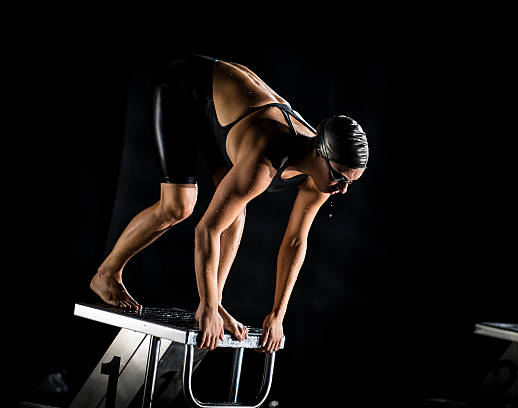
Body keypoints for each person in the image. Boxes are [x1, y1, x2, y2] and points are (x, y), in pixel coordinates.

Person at [89, 54, 369, 352]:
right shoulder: (265, 161)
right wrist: (207, 308)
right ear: (318, 152)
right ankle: (106, 274)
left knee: (235, 211)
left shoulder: (322, 179)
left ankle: (214, 301)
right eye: (340, 178)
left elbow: (295, 242)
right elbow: (205, 231)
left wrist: (277, 315)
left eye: (351, 182)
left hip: (226, 117)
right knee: (179, 206)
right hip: (186, 90)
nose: (342, 190)